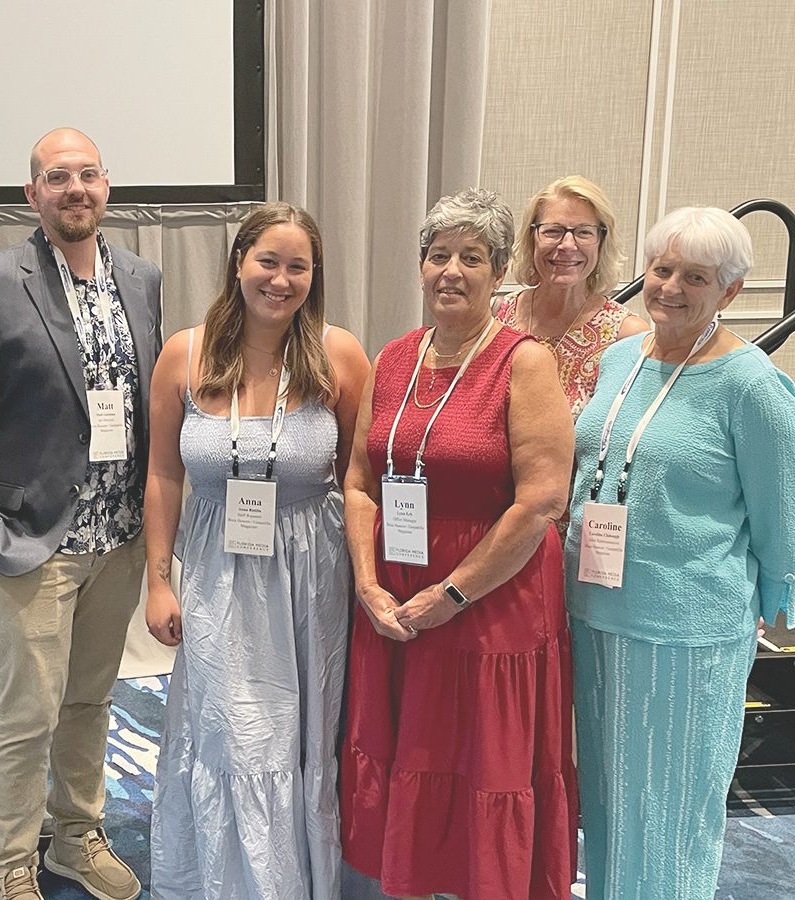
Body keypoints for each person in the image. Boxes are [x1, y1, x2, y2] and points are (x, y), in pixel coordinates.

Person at [0, 128, 161, 900]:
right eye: (57, 177)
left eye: (87, 174)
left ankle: (75, 835)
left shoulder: (142, 278)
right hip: (30, 542)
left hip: (119, 539)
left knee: (90, 701)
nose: (75, 189)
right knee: (27, 714)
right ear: (32, 194)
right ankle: (11, 862)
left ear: (107, 185)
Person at [339, 188, 578, 900]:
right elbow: (359, 482)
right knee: (411, 748)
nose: (451, 271)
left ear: (499, 272)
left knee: (483, 764)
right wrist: (366, 583)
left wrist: (452, 594)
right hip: (395, 595)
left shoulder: (525, 362)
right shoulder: (392, 358)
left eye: (471, 258)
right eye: (438, 255)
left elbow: (542, 500)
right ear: (420, 266)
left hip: (490, 600)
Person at [565, 207, 795, 899]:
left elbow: (779, 514)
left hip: (686, 631)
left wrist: (777, 600)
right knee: (606, 796)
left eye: (695, 277)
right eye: (662, 269)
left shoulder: (751, 385)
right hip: (593, 610)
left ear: (730, 290)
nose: (669, 287)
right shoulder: (620, 359)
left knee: (671, 805)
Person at [144, 203, 370, 898]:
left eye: (298, 266)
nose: (280, 279)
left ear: (314, 275)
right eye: (267, 261)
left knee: (304, 729)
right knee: (227, 727)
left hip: (312, 572)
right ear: (238, 262)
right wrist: (158, 580)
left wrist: (368, 578)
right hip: (218, 567)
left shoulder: (339, 354)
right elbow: (162, 474)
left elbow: (358, 479)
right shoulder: (185, 353)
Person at [496, 175, 648, 418]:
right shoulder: (498, 314)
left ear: (601, 243)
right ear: (531, 238)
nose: (567, 245)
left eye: (583, 232)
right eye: (553, 231)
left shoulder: (627, 336)